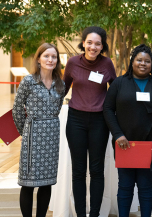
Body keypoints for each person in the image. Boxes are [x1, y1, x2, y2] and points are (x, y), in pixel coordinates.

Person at [103, 44, 152, 217]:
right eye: (139, 60)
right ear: (132, 61)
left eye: (147, 61)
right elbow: (107, 109)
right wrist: (117, 134)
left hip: (149, 144)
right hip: (124, 143)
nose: (143, 63)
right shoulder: (119, 83)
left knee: (145, 186)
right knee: (125, 186)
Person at [63, 26, 116, 217]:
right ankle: (80, 214)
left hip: (99, 122)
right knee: (78, 170)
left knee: (96, 170)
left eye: (98, 44)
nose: (93, 47)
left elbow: (115, 92)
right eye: (90, 42)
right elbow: (62, 89)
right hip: (76, 119)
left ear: (103, 46)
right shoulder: (72, 63)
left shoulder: (107, 64)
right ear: (83, 43)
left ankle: (94, 214)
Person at [12, 43, 65, 217]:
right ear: (39, 59)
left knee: (47, 183)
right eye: (46, 56)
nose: (50, 60)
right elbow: (17, 110)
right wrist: (26, 132)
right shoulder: (28, 81)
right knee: (28, 184)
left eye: (54, 57)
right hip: (32, 136)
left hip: (51, 137)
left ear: (57, 61)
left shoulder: (60, 83)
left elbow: (57, 109)